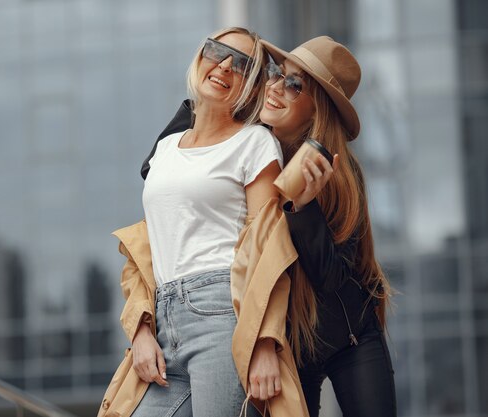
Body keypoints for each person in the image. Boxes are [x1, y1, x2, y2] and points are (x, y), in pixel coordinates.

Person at [142, 36, 397, 417]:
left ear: (317, 110)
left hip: (348, 338)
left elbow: (332, 279)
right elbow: (157, 171)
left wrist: (302, 208)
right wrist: (206, 105)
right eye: (276, 74)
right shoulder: (251, 142)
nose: (276, 87)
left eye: (295, 85)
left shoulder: (338, 175)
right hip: (292, 341)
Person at [98, 27, 308, 417]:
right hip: (163, 322)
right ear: (201, 56)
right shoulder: (164, 150)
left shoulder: (255, 143)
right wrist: (142, 330)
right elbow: (146, 251)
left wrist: (265, 342)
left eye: (242, 64)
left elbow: (267, 249)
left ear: (252, 85)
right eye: (218, 51)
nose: (225, 66)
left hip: (222, 316)